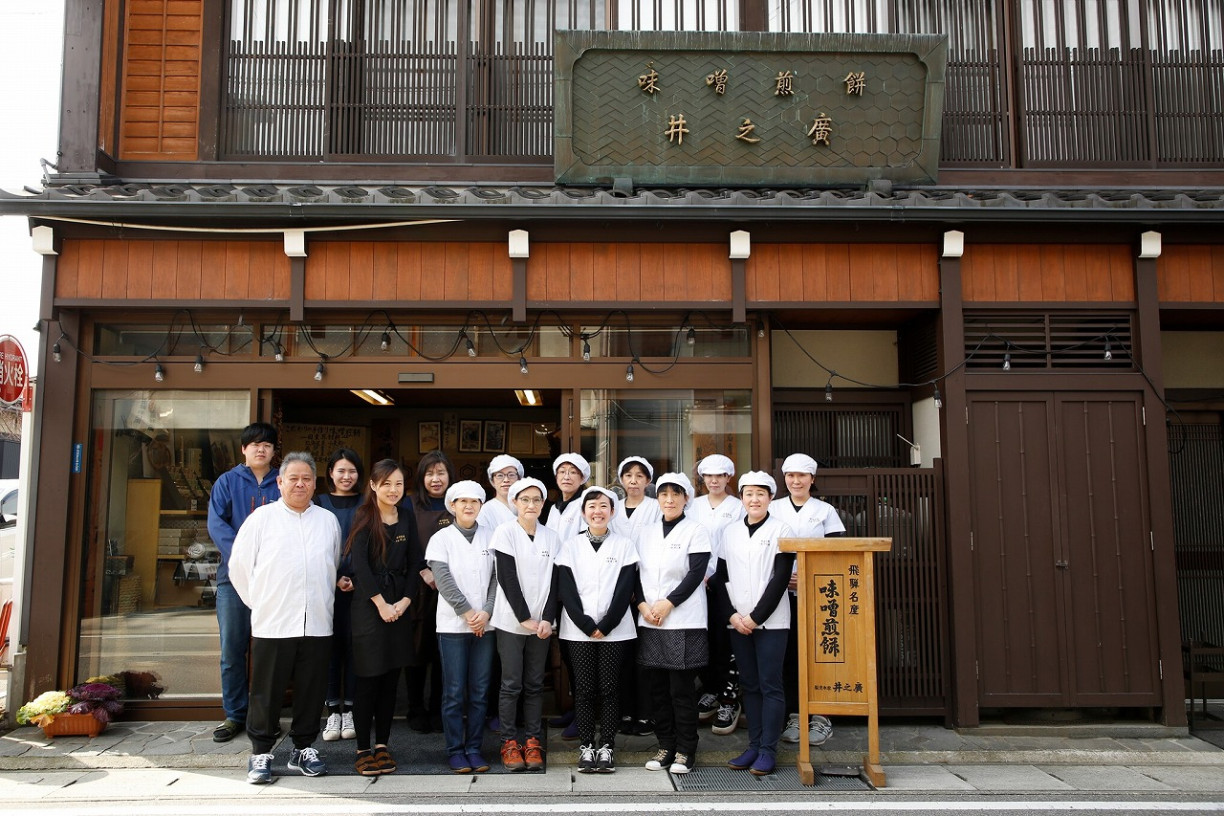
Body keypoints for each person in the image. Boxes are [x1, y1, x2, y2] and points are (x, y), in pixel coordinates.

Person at [228, 451, 341, 784]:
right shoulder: (261, 520)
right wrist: (260, 603)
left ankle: (303, 748)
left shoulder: (327, 520)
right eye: (293, 478)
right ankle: (261, 752)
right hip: (273, 622)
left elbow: (332, 564)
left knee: (311, 690)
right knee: (267, 690)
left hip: (317, 621)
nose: (300, 484)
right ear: (279, 482)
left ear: (315, 483)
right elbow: (239, 569)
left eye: (307, 478)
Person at [710, 471, 796, 776]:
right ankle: (754, 744)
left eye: (761, 494)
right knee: (749, 684)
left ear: (770, 498)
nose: (754, 499)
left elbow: (780, 579)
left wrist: (756, 617)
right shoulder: (730, 531)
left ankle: (768, 750)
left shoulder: (782, 529)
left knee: (770, 684)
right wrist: (732, 616)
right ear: (742, 498)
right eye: (748, 494)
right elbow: (721, 578)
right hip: (738, 620)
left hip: (771, 621)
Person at [347, 459, 424, 776]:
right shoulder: (364, 517)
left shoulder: (406, 516)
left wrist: (405, 602)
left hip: (399, 607)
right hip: (369, 607)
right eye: (387, 483)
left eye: (399, 484)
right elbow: (360, 568)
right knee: (368, 679)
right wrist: (381, 604)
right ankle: (363, 748)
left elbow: (415, 561)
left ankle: (383, 745)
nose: (394, 490)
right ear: (374, 485)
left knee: (392, 680)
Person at [206, 421, 281, 744]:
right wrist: (244, 556)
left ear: (274, 451)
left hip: (275, 579)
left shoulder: (283, 482)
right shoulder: (227, 482)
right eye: (254, 444)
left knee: (271, 650)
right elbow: (216, 524)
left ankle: (267, 715)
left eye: (266, 445)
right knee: (232, 650)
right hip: (232, 579)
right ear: (243, 449)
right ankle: (235, 714)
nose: (260, 449)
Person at [556, 486, 639, 773]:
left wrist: (606, 624)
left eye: (604, 506)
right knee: (585, 689)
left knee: (609, 687)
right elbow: (565, 589)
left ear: (612, 512)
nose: (598, 511)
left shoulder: (624, 545)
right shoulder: (569, 546)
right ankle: (587, 746)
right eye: (591, 506)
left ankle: (607, 747)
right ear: (583, 513)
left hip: (615, 630)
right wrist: (587, 625)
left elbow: (626, 587)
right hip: (578, 630)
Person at [635, 472, 711, 775]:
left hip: (683, 618)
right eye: (663, 494)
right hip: (650, 618)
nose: (669, 499)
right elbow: (635, 572)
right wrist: (643, 605)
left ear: (686, 498)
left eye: (675, 494)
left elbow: (696, 574)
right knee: (657, 689)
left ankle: (685, 750)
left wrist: (668, 603)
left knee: (681, 689)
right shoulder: (646, 532)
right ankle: (665, 745)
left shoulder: (696, 530)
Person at [769, 452, 845, 747]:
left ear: (812, 479)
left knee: (819, 654)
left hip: (818, 595)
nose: (796, 481)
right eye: (790, 476)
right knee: (788, 656)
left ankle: (822, 715)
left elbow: (838, 554)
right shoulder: (773, 508)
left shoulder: (825, 511)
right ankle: (794, 715)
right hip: (780, 595)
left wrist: (810, 575)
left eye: (802, 476)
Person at [425, 479, 497, 774]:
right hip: (454, 625)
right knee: (454, 690)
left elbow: (498, 579)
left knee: (480, 690)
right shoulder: (441, 539)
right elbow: (443, 580)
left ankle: (474, 748)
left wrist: (486, 612)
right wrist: (469, 613)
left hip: (487, 625)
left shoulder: (492, 536)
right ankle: (455, 750)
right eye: (462, 502)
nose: (468, 506)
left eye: (474, 502)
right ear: (452, 506)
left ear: (481, 506)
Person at [491, 477, 560, 772]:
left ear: (543, 504)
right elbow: (506, 578)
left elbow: (555, 582)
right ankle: (509, 742)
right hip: (511, 621)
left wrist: (546, 618)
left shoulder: (552, 537)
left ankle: (532, 740)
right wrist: (524, 617)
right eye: (524, 499)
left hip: (542, 625)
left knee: (534, 684)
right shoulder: (504, 533)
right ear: (515, 503)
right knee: (511, 684)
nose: (531, 505)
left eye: (536, 500)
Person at [688, 453, 747, 734]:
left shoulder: (738, 507)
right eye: (708, 476)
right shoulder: (693, 506)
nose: (713, 480)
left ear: (728, 478)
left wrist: (717, 576)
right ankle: (710, 690)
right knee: (704, 639)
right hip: (696, 583)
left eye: (719, 476)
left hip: (727, 582)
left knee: (726, 641)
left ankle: (729, 698)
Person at [405, 450, 455, 734]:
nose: (435, 479)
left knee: (442, 654)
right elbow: (404, 548)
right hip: (418, 589)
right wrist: (422, 571)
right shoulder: (409, 505)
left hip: (449, 591)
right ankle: (414, 708)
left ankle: (438, 708)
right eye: (429, 473)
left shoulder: (458, 505)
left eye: (441, 473)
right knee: (416, 653)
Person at [608, 456, 658, 738]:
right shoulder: (612, 509)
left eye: (640, 476)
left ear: (648, 481)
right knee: (622, 655)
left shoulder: (654, 507)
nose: (634, 480)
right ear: (621, 480)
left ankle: (646, 714)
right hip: (617, 587)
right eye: (628, 475)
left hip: (647, 587)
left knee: (645, 655)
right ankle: (624, 711)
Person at [316, 448, 364, 743]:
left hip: (360, 588)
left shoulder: (367, 502)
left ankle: (351, 710)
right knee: (330, 651)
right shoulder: (317, 503)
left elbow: (372, 545)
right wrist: (334, 578)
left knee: (354, 650)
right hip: (325, 588)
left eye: (353, 471)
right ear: (330, 473)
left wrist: (355, 578)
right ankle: (332, 709)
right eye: (341, 471)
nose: (347, 477)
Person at [544, 453, 589, 543]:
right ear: (556, 477)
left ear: (582, 478)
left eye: (573, 472)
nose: (566, 477)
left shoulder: (586, 505)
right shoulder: (554, 508)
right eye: (562, 472)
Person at [477, 454, 522, 529]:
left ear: (519, 479)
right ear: (492, 481)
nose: (506, 480)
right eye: (500, 475)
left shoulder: (527, 506)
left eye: (511, 475)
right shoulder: (486, 510)